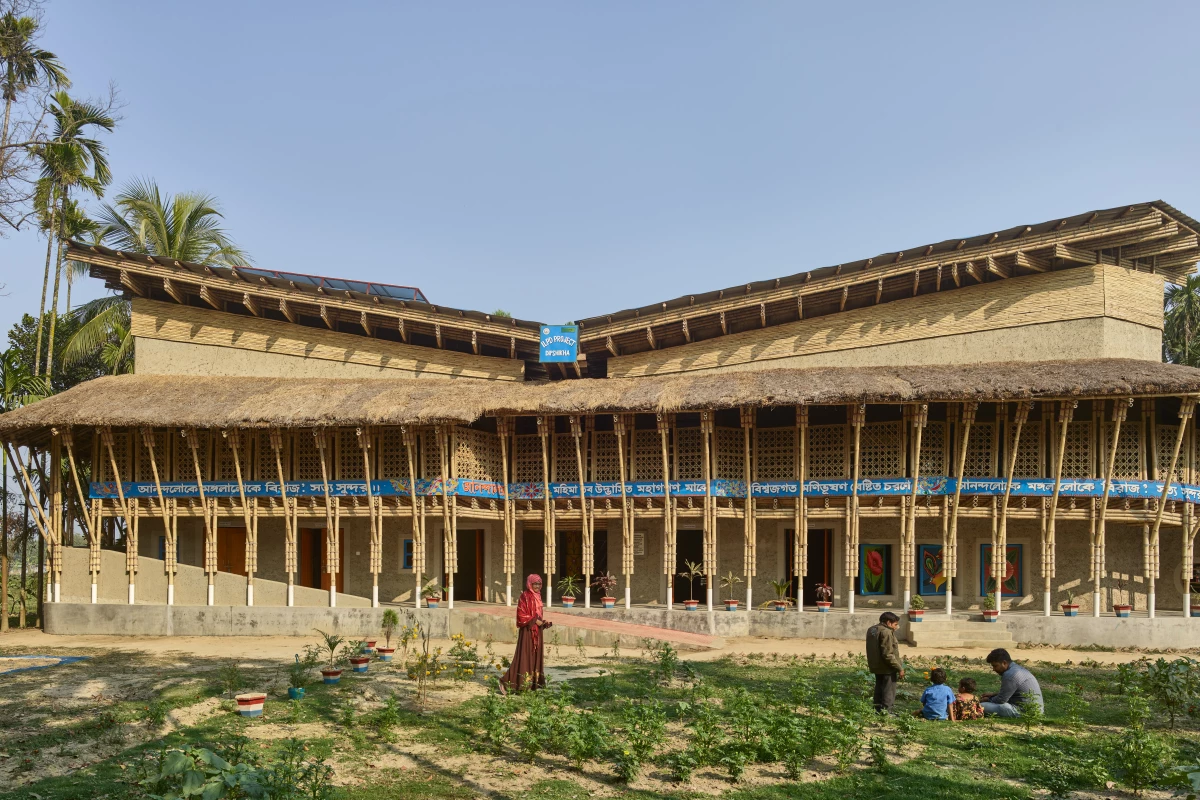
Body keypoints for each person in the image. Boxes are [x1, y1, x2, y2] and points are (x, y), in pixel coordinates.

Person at [499, 574, 553, 694]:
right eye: (535, 584)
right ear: (530, 584)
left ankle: (531, 684)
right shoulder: (525, 596)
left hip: (536, 631)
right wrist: (534, 621)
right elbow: (521, 615)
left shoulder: (538, 596)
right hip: (527, 631)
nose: (538, 586)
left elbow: (537, 614)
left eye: (539, 584)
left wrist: (543, 623)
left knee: (535, 657)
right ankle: (506, 681)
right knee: (524, 657)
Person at [979, 648, 1043, 718]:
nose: (993, 669)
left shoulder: (1010, 674)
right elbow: (1013, 693)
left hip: (1024, 712)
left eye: (995, 666)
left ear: (1004, 663)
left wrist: (988, 699)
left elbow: (1001, 700)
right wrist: (993, 694)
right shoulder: (1017, 669)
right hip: (1036, 710)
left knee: (981, 706)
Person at [866, 611, 905, 712]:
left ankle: (877, 708)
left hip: (876, 665)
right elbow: (888, 654)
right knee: (889, 690)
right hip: (887, 667)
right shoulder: (886, 632)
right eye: (895, 624)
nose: (897, 627)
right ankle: (887, 711)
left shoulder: (872, 629)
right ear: (888, 623)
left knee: (879, 687)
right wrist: (899, 668)